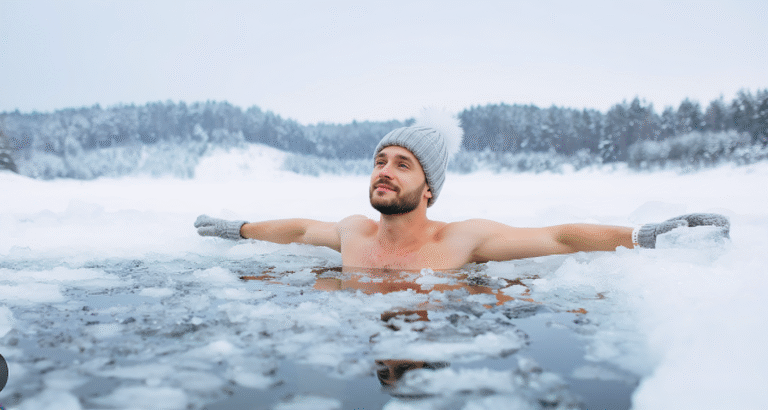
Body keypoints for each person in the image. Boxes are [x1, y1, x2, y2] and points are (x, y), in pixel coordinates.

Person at [195, 120, 730, 271]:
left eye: (402, 165)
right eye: (380, 161)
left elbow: (560, 237)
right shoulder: (352, 232)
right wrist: (236, 230)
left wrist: (644, 236)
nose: (385, 172)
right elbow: (296, 229)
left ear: (428, 188)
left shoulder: (459, 241)